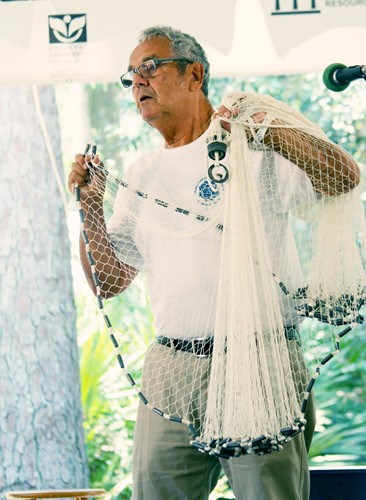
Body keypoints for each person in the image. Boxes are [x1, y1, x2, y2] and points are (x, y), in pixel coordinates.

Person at [68, 26, 360, 500]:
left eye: (150, 67)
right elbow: (110, 279)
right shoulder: (144, 172)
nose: (137, 82)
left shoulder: (255, 145)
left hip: (259, 358)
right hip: (172, 364)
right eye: (130, 76)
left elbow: (342, 178)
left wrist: (268, 128)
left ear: (194, 74)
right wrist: (90, 205)